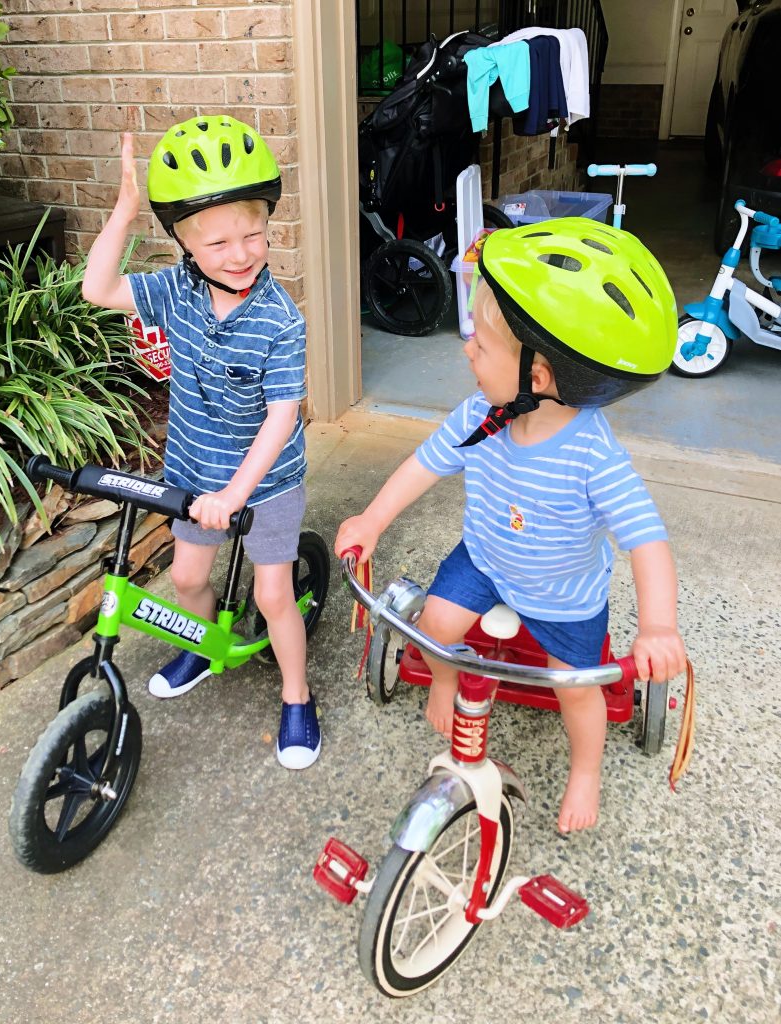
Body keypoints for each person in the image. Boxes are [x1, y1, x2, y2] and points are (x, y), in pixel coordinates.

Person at [335, 218, 688, 831]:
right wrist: (371, 518)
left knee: (574, 686)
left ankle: (585, 770)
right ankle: (445, 685)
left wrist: (658, 626)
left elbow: (647, 542)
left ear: (539, 377)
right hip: (487, 558)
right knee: (438, 624)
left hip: (563, 592)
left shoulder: (592, 456)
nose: (465, 347)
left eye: (481, 342)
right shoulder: (482, 415)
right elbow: (424, 466)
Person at [82, 115, 319, 770]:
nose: (240, 253)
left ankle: (297, 696)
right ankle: (203, 643)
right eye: (216, 243)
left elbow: (281, 415)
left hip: (264, 482)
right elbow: (97, 289)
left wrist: (236, 493)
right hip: (191, 468)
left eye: (254, 234)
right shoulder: (176, 291)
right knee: (187, 578)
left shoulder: (278, 317)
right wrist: (126, 214)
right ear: (184, 244)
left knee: (273, 597)